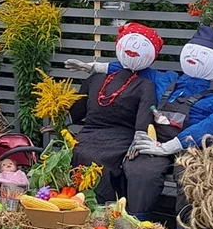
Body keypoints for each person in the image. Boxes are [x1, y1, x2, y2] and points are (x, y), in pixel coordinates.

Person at [67, 25, 213, 229]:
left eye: (204, 56)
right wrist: (94, 67)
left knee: (191, 179)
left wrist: (170, 146)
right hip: (152, 143)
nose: (195, 59)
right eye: (192, 52)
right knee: (139, 170)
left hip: (189, 151)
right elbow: (133, 67)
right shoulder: (166, 79)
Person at [66, 23, 158, 209]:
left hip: (121, 138)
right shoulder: (94, 79)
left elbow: (143, 119)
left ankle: (100, 209)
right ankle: (67, 204)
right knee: (71, 153)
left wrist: (138, 139)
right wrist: (60, 121)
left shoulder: (145, 85)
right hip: (89, 134)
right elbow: (77, 111)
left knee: (100, 161)